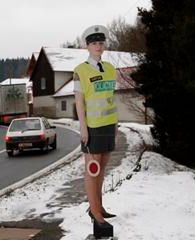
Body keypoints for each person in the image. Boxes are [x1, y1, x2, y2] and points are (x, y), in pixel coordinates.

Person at [73, 25, 118, 228]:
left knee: (101, 171)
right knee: (93, 170)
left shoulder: (110, 69)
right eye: (94, 43)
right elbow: (79, 102)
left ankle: (98, 207)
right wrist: (83, 128)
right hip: (92, 127)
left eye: (101, 43)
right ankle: (96, 215)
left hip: (108, 126)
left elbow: (110, 98)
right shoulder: (80, 71)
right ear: (87, 46)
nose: (99, 46)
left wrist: (116, 124)